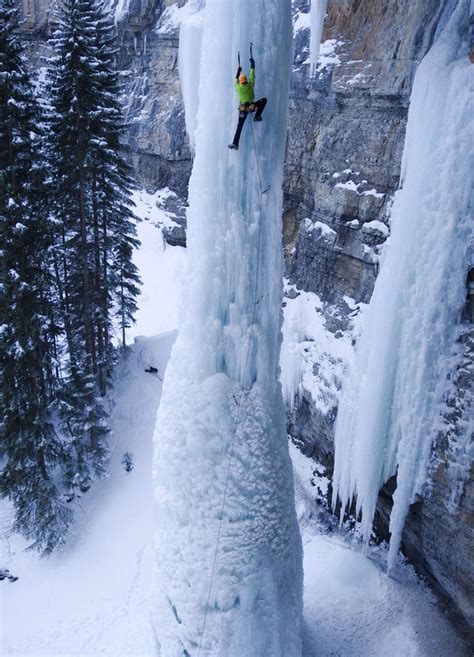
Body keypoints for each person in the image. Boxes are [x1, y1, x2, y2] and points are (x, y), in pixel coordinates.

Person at [228, 56, 267, 150]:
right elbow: (252, 76)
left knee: (239, 126)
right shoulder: (250, 85)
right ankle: (257, 116)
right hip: (252, 107)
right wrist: (252, 65)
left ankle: (235, 143)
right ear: (246, 81)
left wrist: (238, 72)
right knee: (264, 100)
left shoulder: (238, 88)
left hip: (242, 110)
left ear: (241, 82)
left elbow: (235, 81)